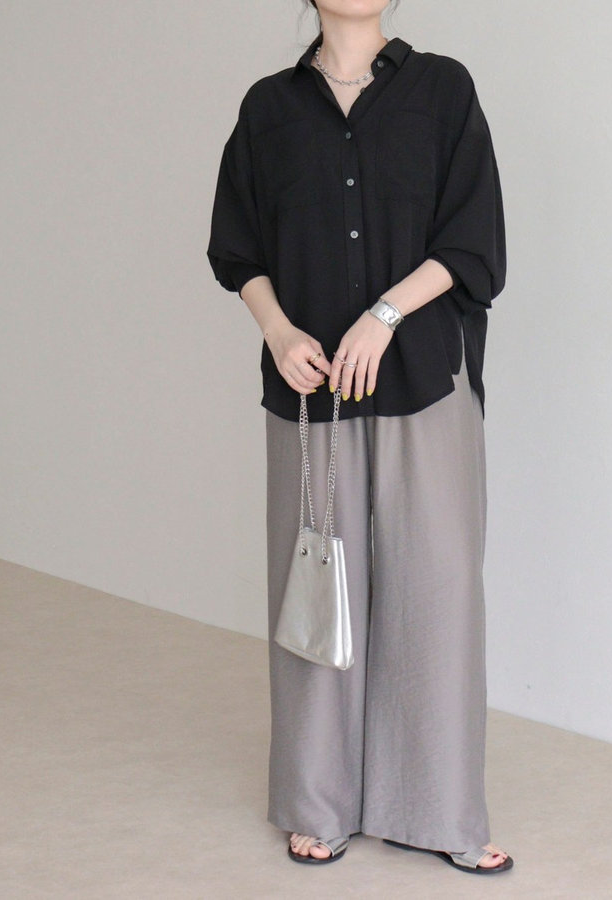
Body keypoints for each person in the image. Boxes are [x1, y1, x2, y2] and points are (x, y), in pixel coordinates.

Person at [206, 0, 512, 876]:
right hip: (312, 392)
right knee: (316, 591)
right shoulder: (269, 107)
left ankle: (440, 809)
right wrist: (277, 332)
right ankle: (318, 803)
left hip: (424, 378)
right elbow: (239, 249)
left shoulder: (442, 90)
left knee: (437, 595)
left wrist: (385, 315)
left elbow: (474, 239)